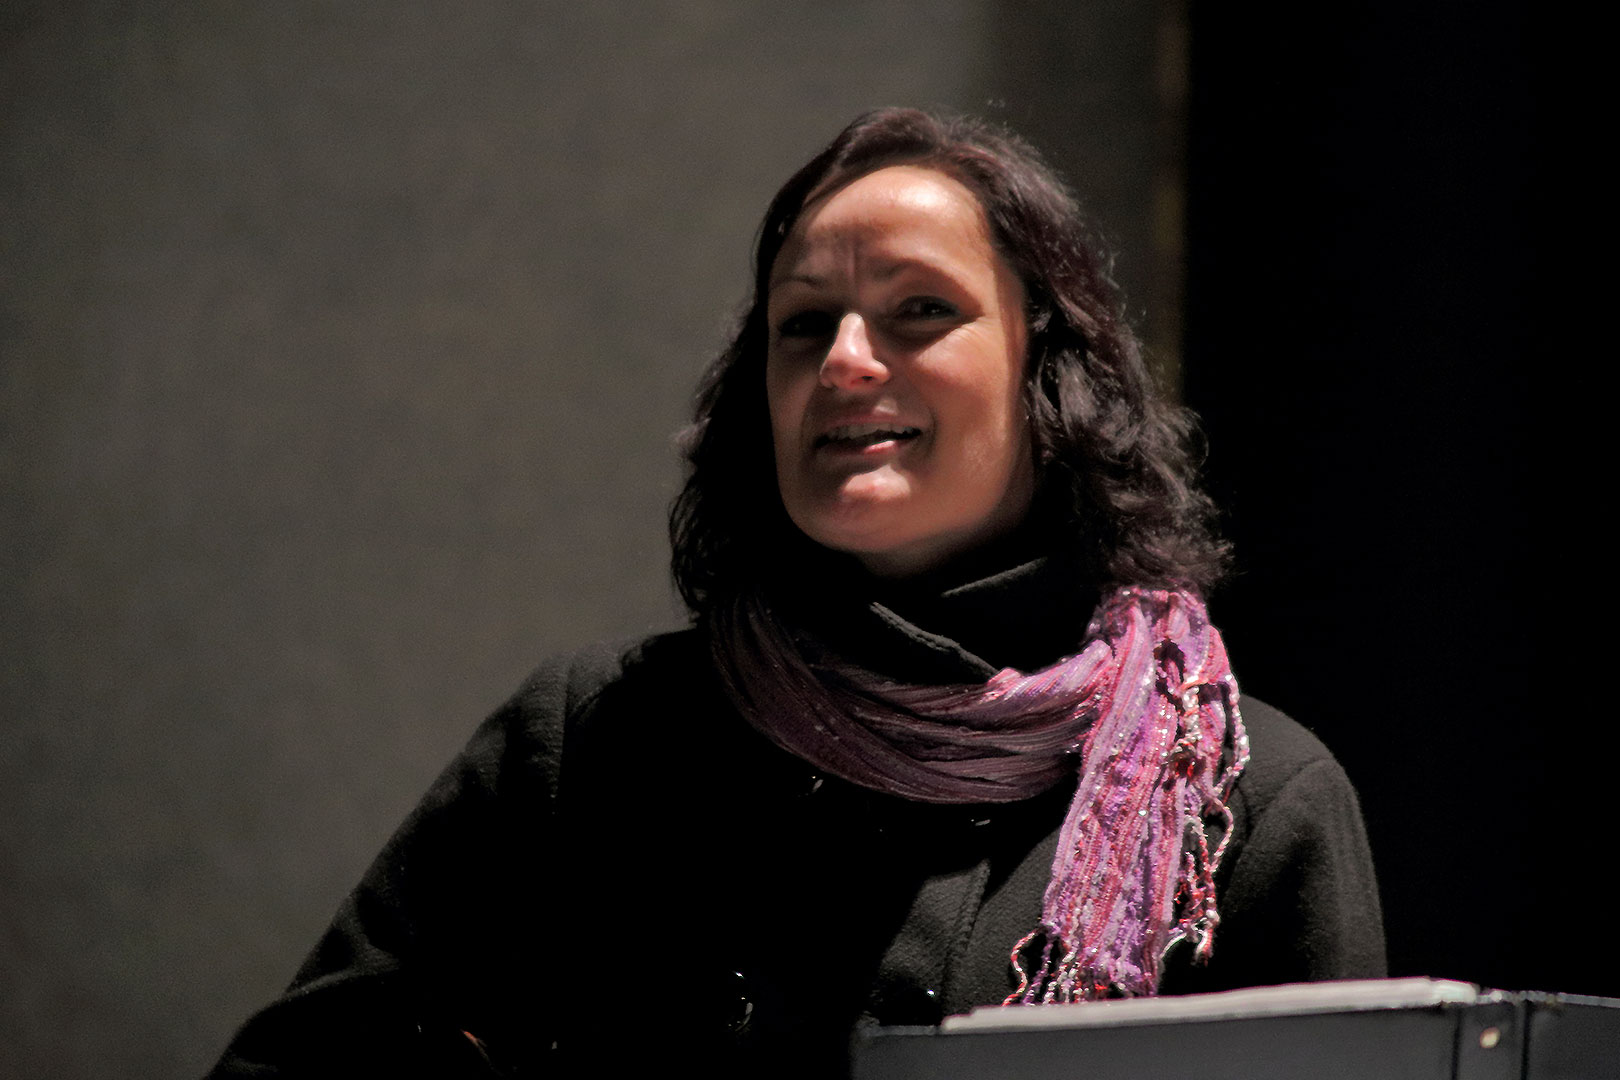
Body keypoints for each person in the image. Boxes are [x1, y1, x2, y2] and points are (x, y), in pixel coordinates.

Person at [208, 108, 1384, 1078]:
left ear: (1051, 372)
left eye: (921, 309)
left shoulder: (1248, 805)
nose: (846, 361)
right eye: (804, 323)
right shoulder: (594, 738)